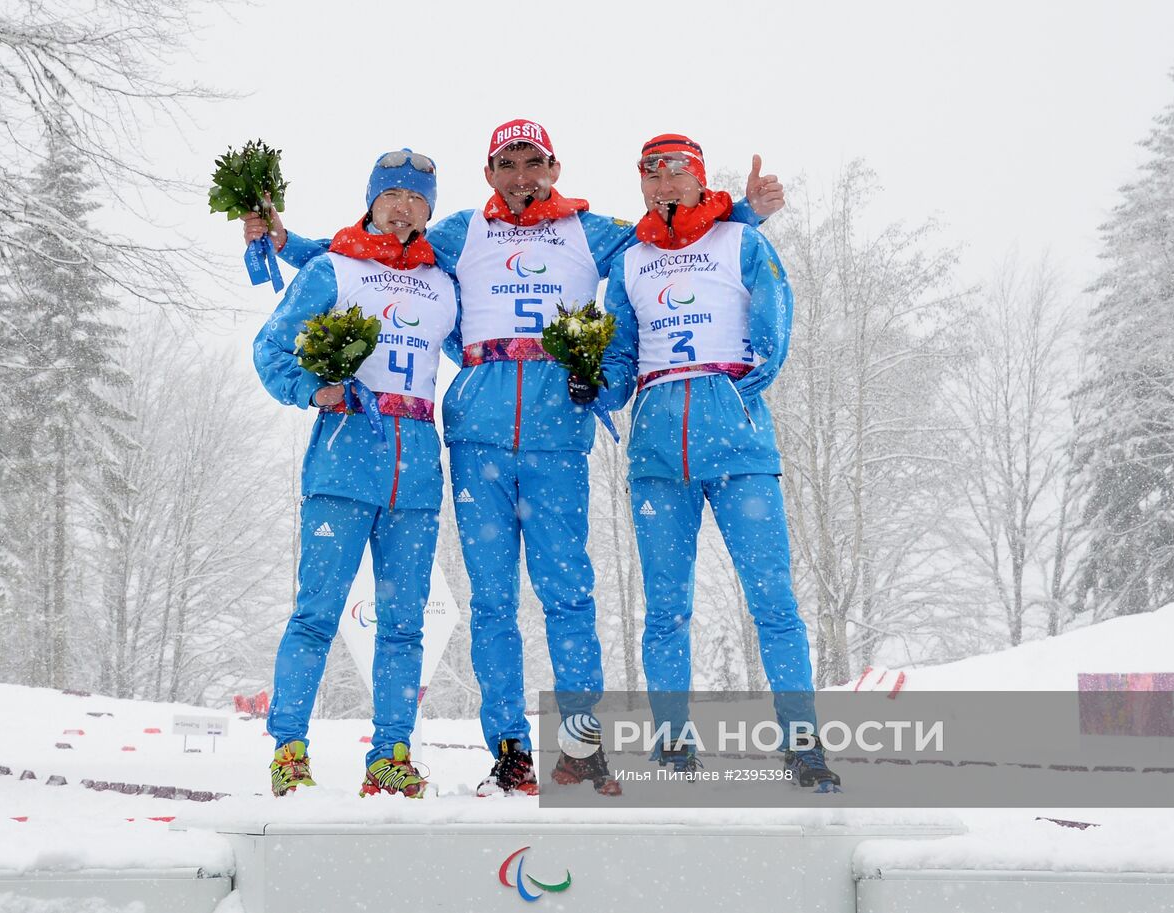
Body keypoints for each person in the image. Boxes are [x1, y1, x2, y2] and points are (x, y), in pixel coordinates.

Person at [245, 120, 785, 797]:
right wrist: (282, 241)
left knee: (569, 596)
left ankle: (582, 749)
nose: (523, 175)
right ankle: (510, 749)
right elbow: (367, 251)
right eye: (508, 163)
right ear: (489, 172)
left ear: (555, 168)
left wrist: (742, 212)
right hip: (477, 441)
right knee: (492, 603)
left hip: (559, 435)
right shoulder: (459, 232)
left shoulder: (593, 231)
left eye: (534, 162)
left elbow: (674, 230)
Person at [598, 134, 840, 791]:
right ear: (641, 185)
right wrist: (594, 380)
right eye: (651, 174)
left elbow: (774, 325)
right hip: (656, 456)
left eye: (677, 171)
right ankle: (673, 744)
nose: (664, 184)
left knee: (772, 598)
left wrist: (734, 391)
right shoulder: (631, 263)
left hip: (739, 448)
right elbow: (619, 358)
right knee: (667, 608)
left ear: (701, 180)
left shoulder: (742, 242)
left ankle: (803, 743)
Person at [253, 149, 460, 798]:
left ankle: (390, 754)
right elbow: (270, 348)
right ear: (370, 201)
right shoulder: (333, 269)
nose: (403, 206)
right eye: (391, 194)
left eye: (416, 198)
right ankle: (289, 748)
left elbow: (482, 342)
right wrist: (316, 391)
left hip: (417, 470)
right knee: (315, 612)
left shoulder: (442, 281)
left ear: (429, 211)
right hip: (343, 459)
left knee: (404, 624)